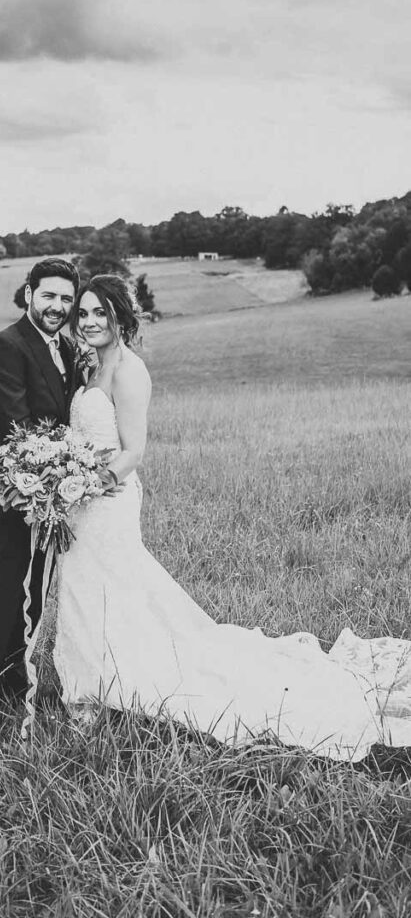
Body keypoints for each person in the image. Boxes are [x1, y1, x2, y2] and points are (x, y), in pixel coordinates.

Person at [53, 274, 411, 760]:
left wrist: (84, 485)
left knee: (112, 587)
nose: (90, 321)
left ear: (120, 316)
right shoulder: (91, 366)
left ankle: (113, 683)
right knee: (84, 587)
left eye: (101, 313)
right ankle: (89, 682)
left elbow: (134, 451)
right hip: (79, 504)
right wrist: (64, 481)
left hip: (107, 502)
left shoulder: (129, 371)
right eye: (85, 313)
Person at [0, 257, 81, 703]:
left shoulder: (67, 348)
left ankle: (18, 681)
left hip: (49, 496)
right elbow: (18, 427)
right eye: (49, 295)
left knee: (32, 594)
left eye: (66, 299)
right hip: (6, 496)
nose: (57, 306)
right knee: (2, 595)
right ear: (29, 292)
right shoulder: (6, 346)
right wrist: (60, 469)